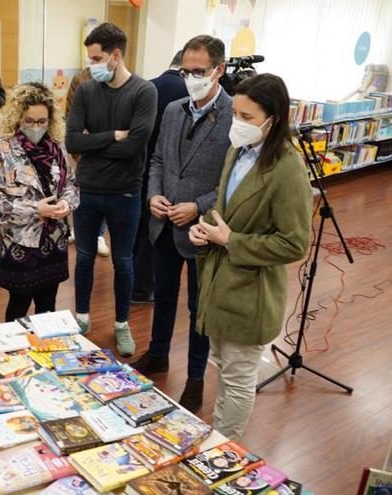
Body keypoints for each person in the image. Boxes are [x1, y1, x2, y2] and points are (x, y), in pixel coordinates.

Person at [189, 73, 312, 440]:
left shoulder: (287, 169)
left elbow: (294, 244)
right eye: (235, 115)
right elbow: (225, 206)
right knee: (223, 367)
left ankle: (224, 449)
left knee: (238, 378)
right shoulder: (237, 150)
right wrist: (205, 227)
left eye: (247, 117)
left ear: (273, 118)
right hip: (219, 283)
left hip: (251, 291)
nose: (237, 124)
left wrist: (231, 241)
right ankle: (218, 438)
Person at [131, 36, 232, 413]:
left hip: (202, 229)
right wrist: (153, 195)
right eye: (186, 71)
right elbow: (156, 159)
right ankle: (157, 354)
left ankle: (194, 378)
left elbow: (231, 181)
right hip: (163, 222)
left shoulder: (234, 116)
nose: (191, 78)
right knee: (164, 296)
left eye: (200, 72)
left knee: (198, 308)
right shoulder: (172, 109)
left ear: (218, 70)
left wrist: (198, 207)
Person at [65, 22, 157, 356]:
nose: (92, 65)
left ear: (115, 56)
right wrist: (114, 135)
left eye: (97, 57)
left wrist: (94, 142)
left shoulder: (144, 92)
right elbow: (72, 139)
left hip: (125, 193)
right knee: (85, 258)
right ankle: (83, 319)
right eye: (90, 58)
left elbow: (135, 147)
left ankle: (121, 325)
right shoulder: (87, 90)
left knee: (124, 261)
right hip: (87, 191)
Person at [0, 82, 78, 322]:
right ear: (17, 118)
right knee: (17, 310)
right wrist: (36, 209)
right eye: (29, 121)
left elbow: (72, 186)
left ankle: (44, 354)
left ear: (51, 119)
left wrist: (66, 204)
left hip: (54, 242)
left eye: (42, 122)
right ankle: (14, 357)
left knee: (48, 309)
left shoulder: (57, 147)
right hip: (20, 244)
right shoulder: (0, 149)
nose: (36, 127)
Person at [131, 50, 191, 305]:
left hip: (143, 172)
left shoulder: (147, 87)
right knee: (158, 237)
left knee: (141, 232)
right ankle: (146, 289)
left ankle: (135, 285)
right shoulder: (188, 95)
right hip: (174, 176)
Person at [65, 66, 110, 258]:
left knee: (104, 188)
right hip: (82, 142)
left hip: (107, 145)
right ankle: (78, 229)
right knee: (80, 186)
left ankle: (99, 235)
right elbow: (70, 109)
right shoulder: (80, 78)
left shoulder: (113, 78)